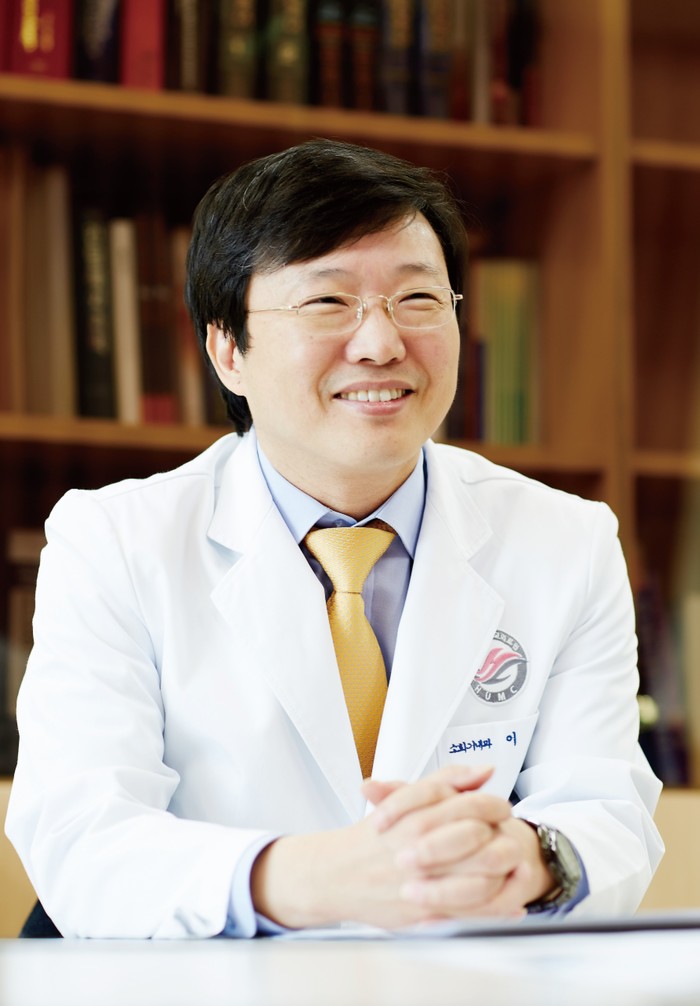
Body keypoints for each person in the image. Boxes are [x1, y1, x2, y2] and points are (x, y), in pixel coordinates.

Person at [6, 139, 663, 938]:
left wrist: (530, 860)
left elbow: (607, 812)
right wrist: (323, 880)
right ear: (228, 350)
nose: (381, 343)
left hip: (459, 983)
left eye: (418, 299)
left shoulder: (568, 541)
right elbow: (83, 838)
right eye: (327, 302)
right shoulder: (114, 541)